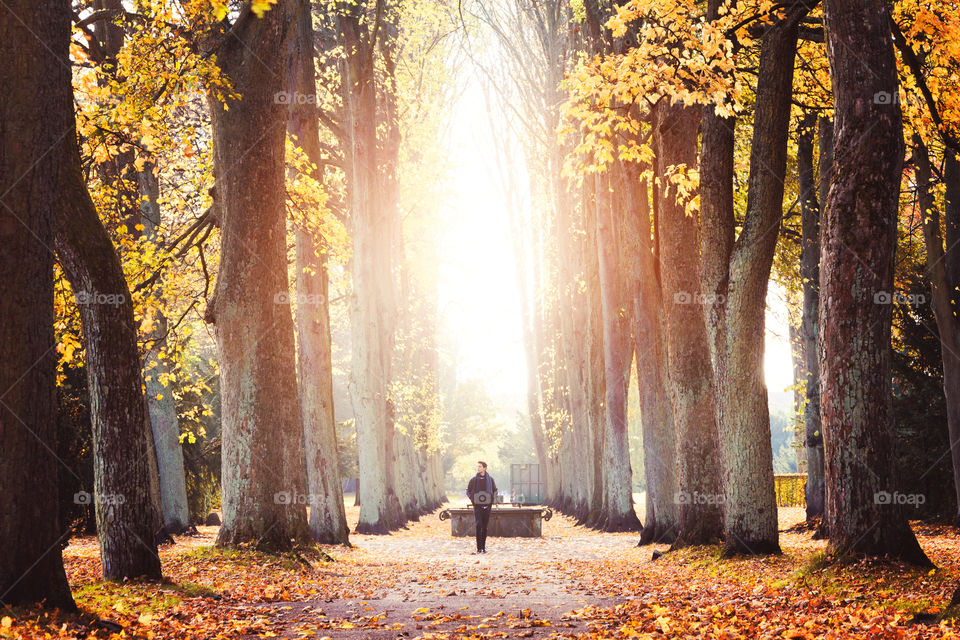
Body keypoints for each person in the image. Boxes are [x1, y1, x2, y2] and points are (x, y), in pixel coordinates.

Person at [466, 461, 497, 554]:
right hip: (478, 507)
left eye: (480, 467)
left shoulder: (490, 479)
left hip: (487, 507)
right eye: (478, 466)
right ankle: (478, 548)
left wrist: (491, 501)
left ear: (485, 468)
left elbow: (495, 490)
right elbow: (468, 491)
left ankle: (483, 547)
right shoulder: (473, 479)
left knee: (485, 527)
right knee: (478, 525)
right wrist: (473, 500)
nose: (478, 468)